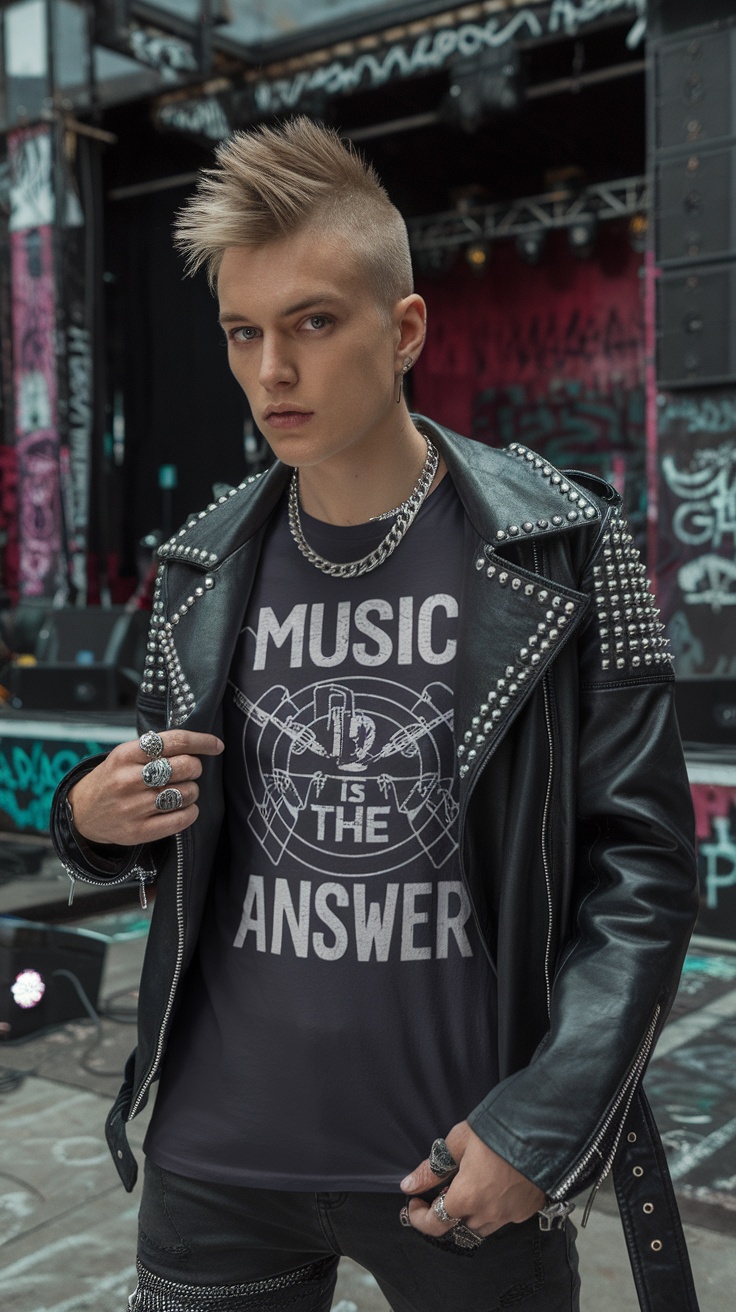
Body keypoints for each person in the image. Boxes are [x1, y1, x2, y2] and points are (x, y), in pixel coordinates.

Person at [51, 118, 700, 1312]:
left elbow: (646, 873)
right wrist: (88, 819)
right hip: (214, 1156)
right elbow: (163, 831)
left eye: (311, 322)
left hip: (459, 1166)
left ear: (402, 329)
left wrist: (542, 1124)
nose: (269, 374)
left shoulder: (568, 543)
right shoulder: (196, 565)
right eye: (242, 332)